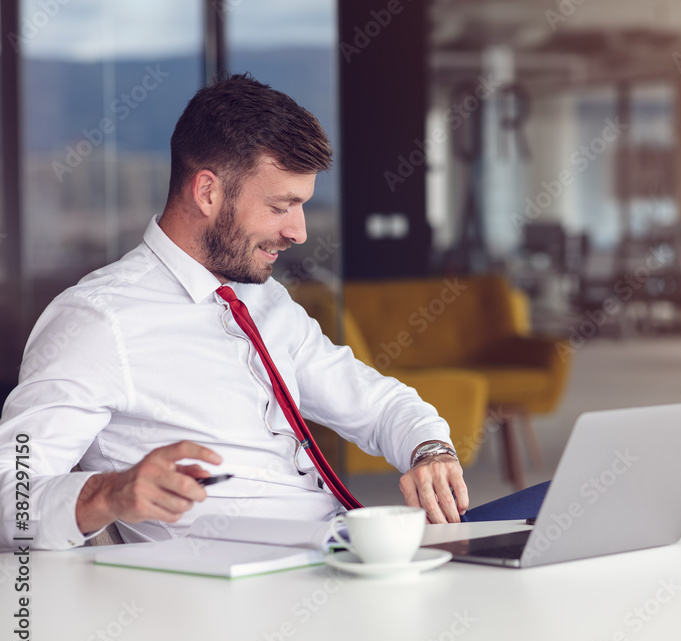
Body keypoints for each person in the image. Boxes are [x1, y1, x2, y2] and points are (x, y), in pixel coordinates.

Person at [0, 73, 498, 551]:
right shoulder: (97, 320)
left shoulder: (264, 299)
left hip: (340, 552)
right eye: (281, 207)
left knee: (520, 540)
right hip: (246, 586)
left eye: (302, 206)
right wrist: (108, 493)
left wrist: (429, 449)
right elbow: (11, 497)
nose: (299, 232)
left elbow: (376, 402)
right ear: (207, 192)